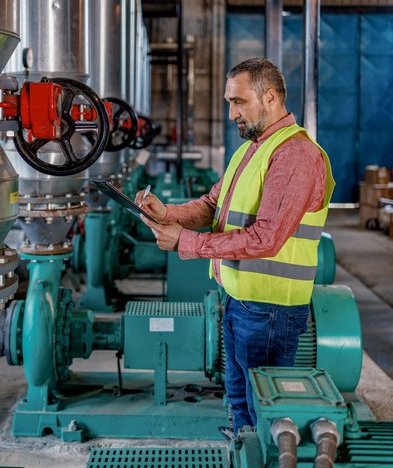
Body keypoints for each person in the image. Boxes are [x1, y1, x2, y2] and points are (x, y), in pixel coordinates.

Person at [135, 57, 335, 434]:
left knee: (265, 413)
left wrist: (186, 242)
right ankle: (244, 450)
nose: (231, 114)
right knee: (240, 400)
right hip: (241, 301)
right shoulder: (251, 150)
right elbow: (214, 205)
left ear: (270, 97)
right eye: (229, 102)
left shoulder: (295, 155)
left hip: (271, 310)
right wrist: (169, 213)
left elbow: (266, 238)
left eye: (238, 102)